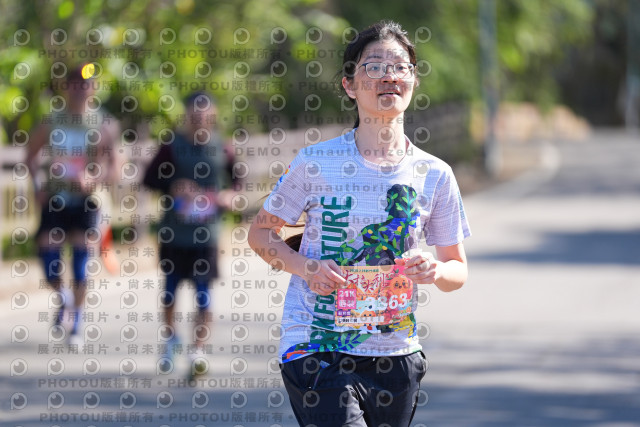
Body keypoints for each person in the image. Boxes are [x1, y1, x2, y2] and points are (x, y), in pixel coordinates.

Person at [248, 20, 471, 426]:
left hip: (395, 353)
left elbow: (457, 269)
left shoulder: (435, 174)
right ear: (350, 85)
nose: (389, 76)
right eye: (374, 66)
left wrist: (435, 270)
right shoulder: (316, 162)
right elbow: (261, 234)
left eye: (400, 67)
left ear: (413, 81)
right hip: (317, 346)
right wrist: (307, 267)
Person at [25, 64, 119, 346]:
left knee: (81, 259)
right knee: (47, 253)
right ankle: (63, 297)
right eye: (75, 83)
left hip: (87, 200)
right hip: (56, 198)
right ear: (66, 87)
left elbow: (114, 166)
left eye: (85, 84)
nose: (80, 89)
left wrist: (94, 178)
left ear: (93, 88)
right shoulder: (52, 121)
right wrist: (38, 186)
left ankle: (76, 320)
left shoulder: (104, 123)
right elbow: (30, 156)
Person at [143, 92, 233, 376]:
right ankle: (171, 339)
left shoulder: (222, 147)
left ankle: (198, 350)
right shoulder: (172, 146)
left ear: (212, 116)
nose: (199, 121)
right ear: (186, 116)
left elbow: (238, 183)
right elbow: (149, 179)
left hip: (206, 236)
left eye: (204, 116)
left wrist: (229, 198)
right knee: (170, 293)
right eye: (194, 116)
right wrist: (173, 186)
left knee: (204, 294)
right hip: (174, 235)